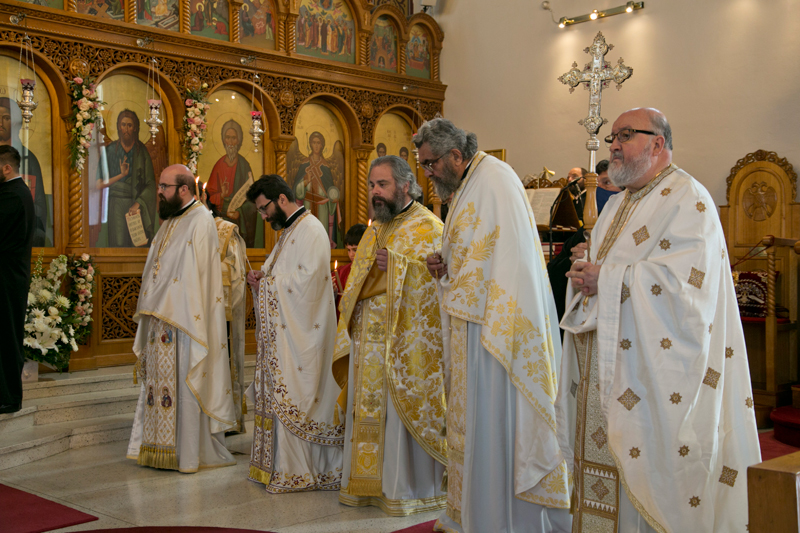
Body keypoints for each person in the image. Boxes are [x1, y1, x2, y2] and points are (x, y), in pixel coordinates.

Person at [557, 108, 761, 532]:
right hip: (605, 367)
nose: (614, 144)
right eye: (613, 135)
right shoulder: (618, 204)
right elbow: (606, 270)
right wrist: (585, 273)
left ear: (658, 143)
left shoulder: (689, 199)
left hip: (650, 379)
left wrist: (607, 278)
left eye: (625, 135)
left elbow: (687, 293)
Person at [419, 118, 571, 532]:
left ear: (455, 155)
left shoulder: (495, 180)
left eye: (431, 163)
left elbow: (506, 262)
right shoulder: (469, 184)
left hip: (499, 333)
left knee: (497, 423)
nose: (427, 172)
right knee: (477, 428)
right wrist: (445, 267)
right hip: (477, 324)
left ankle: (501, 518)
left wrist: (457, 275)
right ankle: (475, 512)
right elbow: (473, 254)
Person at [333, 156, 447, 515]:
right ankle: (367, 484)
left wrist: (399, 267)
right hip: (369, 339)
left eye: (382, 185)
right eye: (371, 185)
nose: (375, 192)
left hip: (403, 345)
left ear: (406, 186)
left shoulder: (429, 227)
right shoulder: (375, 227)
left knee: (396, 417)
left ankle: (405, 488)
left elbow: (439, 286)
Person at [127, 164, 235, 473]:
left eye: (164, 186)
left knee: (182, 388)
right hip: (161, 319)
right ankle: (157, 448)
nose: (159, 191)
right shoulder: (170, 221)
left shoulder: (201, 221)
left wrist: (177, 309)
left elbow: (198, 277)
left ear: (183, 189)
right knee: (157, 387)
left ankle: (185, 453)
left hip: (186, 323)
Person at [245, 174, 343, 493]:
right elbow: (282, 274)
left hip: (305, 337)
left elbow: (308, 282)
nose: (263, 216)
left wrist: (268, 286)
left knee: (302, 397)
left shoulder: (311, 229)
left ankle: (304, 470)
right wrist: (263, 277)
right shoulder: (289, 231)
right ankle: (282, 467)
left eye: (264, 209)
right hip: (287, 334)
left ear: (282, 200)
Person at [547, 159, 621, 325]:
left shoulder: (626, 226)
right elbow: (553, 270)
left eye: (607, 183)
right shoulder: (585, 229)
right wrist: (573, 262)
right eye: (595, 185)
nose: (597, 191)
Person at [200, 181, 248, 434]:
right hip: (189, 314)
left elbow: (236, 273)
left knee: (221, 361)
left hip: (219, 313)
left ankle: (224, 417)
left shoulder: (225, 231)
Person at [0, 146, 35, 414]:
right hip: (7, 277)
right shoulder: (11, 193)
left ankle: (10, 397)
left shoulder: (13, 195)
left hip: (8, 279)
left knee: (8, 337)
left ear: (6, 168)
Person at [96, 109, 157, 247]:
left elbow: (151, 184)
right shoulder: (110, 150)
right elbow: (98, 183)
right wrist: (120, 176)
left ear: (135, 128)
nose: (126, 129)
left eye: (129, 125)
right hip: (116, 203)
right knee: (118, 242)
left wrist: (138, 203)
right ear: (118, 126)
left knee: (137, 245)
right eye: (123, 125)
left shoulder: (142, 152)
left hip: (136, 204)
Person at [0, 98, 49, 247]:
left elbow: (40, 210)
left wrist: (19, 203)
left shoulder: (29, 160)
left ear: (15, 123)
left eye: (6, 118)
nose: (0, 123)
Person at [206, 119, 260, 248]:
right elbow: (209, 197)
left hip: (238, 218)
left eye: (234, 138)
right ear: (223, 140)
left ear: (239, 141)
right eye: (227, 138)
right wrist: (222, 196)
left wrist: (239, 213)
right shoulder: (218, 166)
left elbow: (252, 198)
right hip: (220, 217)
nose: (230, 142)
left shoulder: (244, 165)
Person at [293, 131, 341, 248]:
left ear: (322, 145)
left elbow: (331, 191)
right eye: (313, 142)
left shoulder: (325, 167)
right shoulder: (304, 165)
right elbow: (296, 192)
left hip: (322, 207)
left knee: (321, 238)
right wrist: (305, 181)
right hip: (307, 205)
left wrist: (331, 199)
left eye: (318, 143)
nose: (316, 145)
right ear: (310, 144)